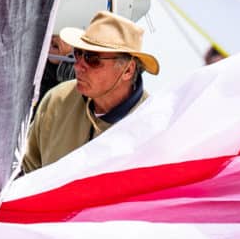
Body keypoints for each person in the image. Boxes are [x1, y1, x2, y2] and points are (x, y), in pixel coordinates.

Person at [21, 11, 159, 174]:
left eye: (93, 59)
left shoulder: (152, 127)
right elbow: (24, 170)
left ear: (128, 70)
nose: (77, 66)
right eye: (78, 53)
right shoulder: (57, 99)